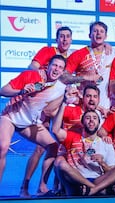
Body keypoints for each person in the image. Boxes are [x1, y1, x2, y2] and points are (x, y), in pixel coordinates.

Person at [19, 26, 74, 197]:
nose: (64, 39)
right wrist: (44, 78)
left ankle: (46, 185)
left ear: (71, 39)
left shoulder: (72, 56)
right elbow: (32, 67)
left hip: (59, 106)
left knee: (59, 147)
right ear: (57, 38)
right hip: (42, 105)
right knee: (40, 149)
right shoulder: (48, 50)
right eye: (61, 36)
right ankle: (25, 186)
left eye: (67, 37)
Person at [0, 55, 67, 188]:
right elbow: (2, 91)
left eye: (60, 67)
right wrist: (21, 91)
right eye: (54, 65)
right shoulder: (31, 75)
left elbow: (49, 111)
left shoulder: (60, 87)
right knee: (2, 147)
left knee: (53, 146)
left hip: (30, 123)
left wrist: (66, 101)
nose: (56, 69)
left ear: (63, 71)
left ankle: (40, 186)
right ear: (48, 66)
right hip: (10, 117)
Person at [52, 108, 115, 196]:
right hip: (77, 180)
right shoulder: (73, 138)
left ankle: (94, 189)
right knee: (59, 162)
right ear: (82, 123)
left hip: (98, 180)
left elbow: (111, 171)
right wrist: (64, 103)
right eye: (88, 118)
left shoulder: (106, 143)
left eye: (94, 118)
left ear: (98, 123)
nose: (91, 120)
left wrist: (102, 163)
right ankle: (92, 187)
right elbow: (55, 131)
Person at [62, 21, 115, 113]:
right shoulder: (78, 54)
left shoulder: (113, 53)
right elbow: (63, 77)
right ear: (89, 35)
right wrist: (85, 77)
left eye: (101, 31)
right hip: (83, 107)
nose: (98, 33)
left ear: (106, 36)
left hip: (106, 107)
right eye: (95, 31)